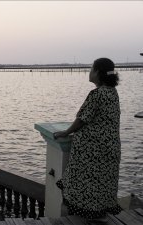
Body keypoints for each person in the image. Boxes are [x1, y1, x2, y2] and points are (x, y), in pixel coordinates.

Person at [54, 58, 122, 224]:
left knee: (80, 186)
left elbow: (81, 120)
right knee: (102, 186)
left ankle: (88, 219)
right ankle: (99, 217)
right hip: (110, 149)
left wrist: (66, 131)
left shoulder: (97, 94)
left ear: (98, 72)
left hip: (93, 152)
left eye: (92, 68)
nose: (89, 71)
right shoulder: (113, 92)